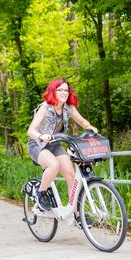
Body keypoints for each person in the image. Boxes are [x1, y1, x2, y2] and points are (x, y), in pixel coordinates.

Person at [27, 78, 98, 212]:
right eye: (61, 90)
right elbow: (30, 130)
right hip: (37, 144)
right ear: (54, 91)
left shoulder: (69, 108)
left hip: (54, 144)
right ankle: (41, 194)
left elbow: (82, 121)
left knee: (70, 174)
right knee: (54, 165)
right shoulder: (45, 108)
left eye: (66, 90)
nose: (64, 93)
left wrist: (90, 127)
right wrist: (41, 136)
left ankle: (76, 213)